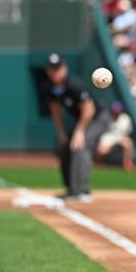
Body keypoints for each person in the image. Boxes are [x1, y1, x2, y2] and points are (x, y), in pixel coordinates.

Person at [44, 53, 111, 202]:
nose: (54, 73)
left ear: (64, 68)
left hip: (98, 119)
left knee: (82, 144)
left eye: (57, 69)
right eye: (51, 69)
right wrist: (61, 132)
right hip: (83, 120)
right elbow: (55, 109)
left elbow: (89, 109)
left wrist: (79, 132)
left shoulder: (73, 84)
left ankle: (82, 191)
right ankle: (71, 189)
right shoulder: (50, 87)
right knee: (66, 146)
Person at [96, 101, 136, 171]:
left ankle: (127, 163)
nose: (116, 112)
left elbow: (127, 132)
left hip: (120, 136)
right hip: (108, 136)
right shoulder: (105, 117)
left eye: (118, 110)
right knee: (102, 150)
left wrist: (122, 138)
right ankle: (98, 161)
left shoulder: (125, 118)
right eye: (115, 110)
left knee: (128, 143)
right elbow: (101, 130)